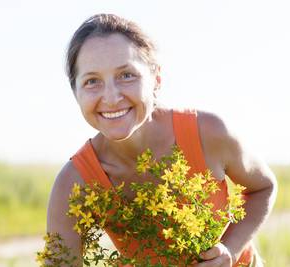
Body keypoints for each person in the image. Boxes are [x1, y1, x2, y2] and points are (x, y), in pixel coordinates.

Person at [47, 13, 277, 267]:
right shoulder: (74, 183)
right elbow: (59, 262)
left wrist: (230, 250)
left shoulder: (207, 133)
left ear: (156, 78)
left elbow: (263, 187)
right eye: (92, 81)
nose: (111, 98)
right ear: (75, 91)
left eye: (126, 75)